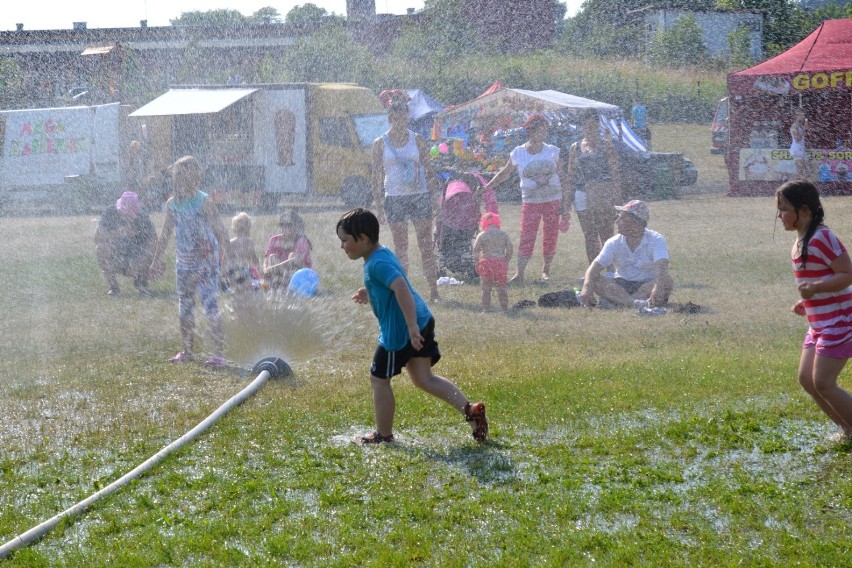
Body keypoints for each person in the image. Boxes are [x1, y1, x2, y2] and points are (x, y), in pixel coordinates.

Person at [335, 208, 488, 444]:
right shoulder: (380, 253)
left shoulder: (376, 264)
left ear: (363, 239)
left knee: (378, 379)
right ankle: (471, 411)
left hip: (401, 333)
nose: (342, 246)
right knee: (424, 378)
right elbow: (393, 281)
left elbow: (401, 287)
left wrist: (411, 327)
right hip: (422, 319)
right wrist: (370, 292)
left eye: (345, 241)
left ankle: (383, 435)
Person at [776, 179, 852, 442]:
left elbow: (846, 274)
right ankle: (847, 429)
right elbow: (816, 281)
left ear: (805, 210)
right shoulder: (799, 243)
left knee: (823, 383)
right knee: (807, 381)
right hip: (819, 323)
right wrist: (808, 300)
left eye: (784, 208)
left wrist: (816, 288)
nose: (779, 215)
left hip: (840, 321)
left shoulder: (822, 237)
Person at [149, 156, 229, 367]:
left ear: (197, 179)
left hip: (206, 263)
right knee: (184, 306)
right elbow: (165, 234)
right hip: (183, 263)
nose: (184, 181)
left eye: (190, 177)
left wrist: (225, 260)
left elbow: (220, 232)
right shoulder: (172, 205)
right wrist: (156, 260)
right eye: (180, 177)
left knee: (210, 305)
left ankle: (218, 354)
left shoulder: (204, 202)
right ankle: (187, 350)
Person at [372, 91, 441, 303]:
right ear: (390, 119)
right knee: (400, 248)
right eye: (397, 118)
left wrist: (435, 197)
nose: (402, 121)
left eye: (405, 117)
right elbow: (376, 176)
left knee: (425, 245)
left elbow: (429, 169)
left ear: (408, 117)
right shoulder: (380, 144)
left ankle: (434, 291)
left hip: (419, 196)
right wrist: (379, 206)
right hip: (395, 198)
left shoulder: (417, 139)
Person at [482, 114, 568, 284]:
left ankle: (546, 271)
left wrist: (566, 202)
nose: (543, 133)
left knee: (550, 235)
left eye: (544, 129)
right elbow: (505, 173)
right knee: (526, 236)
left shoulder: (552, 151)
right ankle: (519, 273)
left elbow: (563, 177)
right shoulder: (519, 152)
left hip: (553, 199)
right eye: (540, 129)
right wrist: (488, 186)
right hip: (530, 202)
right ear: (531, 131)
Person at [579, 200, 674, 310]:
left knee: (666, 281)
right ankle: (637, 304)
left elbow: (661, 267)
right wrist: (586, 288)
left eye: (622, 218)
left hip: (647, 284)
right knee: (590, 280)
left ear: (636, 222)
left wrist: (658, 287)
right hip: (620, 284)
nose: (617, 221)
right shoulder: (613, 242)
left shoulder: (656, 239)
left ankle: (618, 302)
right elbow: (594, 267)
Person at [567, 111, 623, 264]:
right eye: (586, 125)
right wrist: (567, 200)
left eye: (593, 125)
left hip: (603, 191)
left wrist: (618, 198)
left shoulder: (607, 146)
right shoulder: (575, 147)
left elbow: (615, 172)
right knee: (589, 233)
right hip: (581, 193)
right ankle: (593, 270)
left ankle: (611, 269)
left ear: (598, 125)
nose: (590, 128)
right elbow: (571, 175)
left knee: (606, 231)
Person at [95, 191, 156, 296]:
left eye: (130, 213)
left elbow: (154, 241)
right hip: (116, 254)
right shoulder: (110, 213)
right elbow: (98, 237)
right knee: (101, 248)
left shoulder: (142, 217)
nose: (127, 215)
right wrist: (121, 232)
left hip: (137, 255)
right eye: (124, 212)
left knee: (150, 251)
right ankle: (114, 287)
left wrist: (141, 259)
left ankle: (141, 283)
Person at [472, 212, 513, 312]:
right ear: (497, 222)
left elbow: (475, 250)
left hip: (486, 262)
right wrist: (506, 260)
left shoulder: (482, 235)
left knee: (486, 289)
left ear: (484, 223)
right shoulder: (503, 234)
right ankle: (504, 309)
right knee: (502, 288)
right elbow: (510, 249)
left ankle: (486, 309)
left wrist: (477, 264)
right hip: (500, 262)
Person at [263, 209, 312, 290]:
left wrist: (271, 269)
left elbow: (296, 261)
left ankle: (279, 282)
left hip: (300, 275)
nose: (285, 227)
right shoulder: (274, 240)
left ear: (297, 226)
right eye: (282, 224)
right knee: (272, 257)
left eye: (288, 224)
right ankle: (279, 282)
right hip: (281, 273)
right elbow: (266, 259)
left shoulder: (301, 241)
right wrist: (265, 269)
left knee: (293, 255)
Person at [225, 212, 260, 294]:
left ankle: (235, 295)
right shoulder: (249, 242)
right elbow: (254, 258)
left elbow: (225, 258)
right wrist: (259, 269)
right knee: (247, 289)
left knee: (235, 289)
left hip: (232, 270)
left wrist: (223, 271)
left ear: (234, 229)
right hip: (244, 269)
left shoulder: (230, 242)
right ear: (248, 228)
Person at [790, 109, 810, 179]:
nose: (803, 117)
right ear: (797, 116)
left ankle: (801, 183)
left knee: (808, 171)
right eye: (801, 115)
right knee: (799, 171)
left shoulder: (800, 125)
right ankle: (790, 183)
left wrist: (805, 127)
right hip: (797, 149)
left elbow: (803, 135)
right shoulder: (794, 126)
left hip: (802, 149)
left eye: (804, 115)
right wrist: (804, 129)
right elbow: (797, 139)